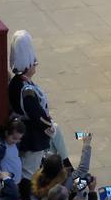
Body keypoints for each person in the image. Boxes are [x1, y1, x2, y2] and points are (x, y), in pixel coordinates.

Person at [7, 31, 68, 189]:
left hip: (27, 130)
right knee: (29, 173)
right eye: (34, 62)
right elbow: (37, 116)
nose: (35, 65)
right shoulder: (25, 89)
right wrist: (48, 125)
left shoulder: (17, 82)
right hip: (32, 136)